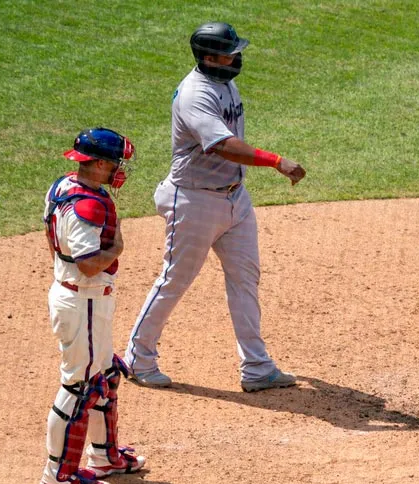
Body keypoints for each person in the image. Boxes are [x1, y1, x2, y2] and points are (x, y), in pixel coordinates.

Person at [125, 22, 306, 392]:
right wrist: (276, 161)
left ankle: (257, 367)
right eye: (230, 53)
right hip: (195, 200)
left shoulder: (224, 82)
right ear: (209, 57)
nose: (237, 57)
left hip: (235, 197)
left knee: (245, 278)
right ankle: (137, 358)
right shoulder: (195, 94)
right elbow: (223, 145)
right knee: (175, 279)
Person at [41, 128, 146, 484]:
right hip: (82, 299)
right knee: (80, 386)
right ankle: (58, 475)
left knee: (106, 374)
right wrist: (117, 249)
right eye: (115, 163)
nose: (119, 169)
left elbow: (55, 245)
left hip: (81, 297)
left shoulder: (62, 186)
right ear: (99, 164)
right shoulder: (88, 207)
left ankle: (103, 456)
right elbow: (87, 265)